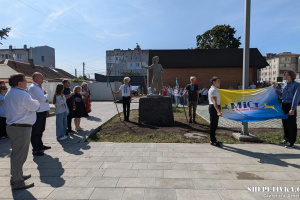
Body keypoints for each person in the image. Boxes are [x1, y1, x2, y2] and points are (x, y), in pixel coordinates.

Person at [5, 73, 40, 190]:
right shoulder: (22, 94)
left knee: (17, 154)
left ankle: (17, 175)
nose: (27, 82)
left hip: (13, 127)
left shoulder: (11, 92)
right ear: (19, 83)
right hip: (21, 128)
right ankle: (17, 181)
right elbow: (35, 106)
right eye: (25, 80)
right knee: (19, 156)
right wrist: (37, 103)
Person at [275, 70, 300, 148]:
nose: (285, 77)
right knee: (285, 123)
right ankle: (286, 139)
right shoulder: (285, 84)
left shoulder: (296, 85)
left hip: (290, 105)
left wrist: (293, 108)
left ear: (291, 76)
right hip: (284, 105)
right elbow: (282, 96)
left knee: (291, 124)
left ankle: (291, 141)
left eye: (287, 75)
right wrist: (276, 90)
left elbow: (296, 97)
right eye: (285, 75)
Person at [28, 72, 51, 156]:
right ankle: (35, 149)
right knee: (36, 131)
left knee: (41, 129)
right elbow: (42, 98)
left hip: (42, 110)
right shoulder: (34, 87)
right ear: (36, 79)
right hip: (37, 112)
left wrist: (47, 110)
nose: (43, 78)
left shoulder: (39, 87)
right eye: (41, 77)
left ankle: (40, 145)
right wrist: (47, 94)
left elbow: (44, 100)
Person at [208, 76, 222, 147]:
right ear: (213, 82)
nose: (219, 82)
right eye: (218, 81)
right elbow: (214, 102)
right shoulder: (213, 90)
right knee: (213, 125)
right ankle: (212, 140)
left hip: (214, 107)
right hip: (213, 108)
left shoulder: (215, 89)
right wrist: (218, 111)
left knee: (215, 125)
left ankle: (214, 139)